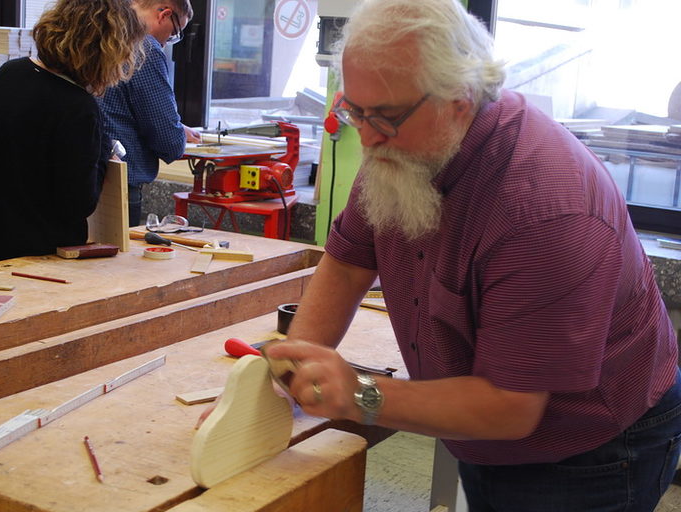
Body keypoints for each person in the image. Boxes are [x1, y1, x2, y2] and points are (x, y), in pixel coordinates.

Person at [263, 0, 681, 510]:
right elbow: (350, 262)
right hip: (489, 427)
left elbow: (509, 409)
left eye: (386, 116)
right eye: (354, 110)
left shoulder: (545, 209)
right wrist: (291, 369)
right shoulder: (400, 146)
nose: (367, 137)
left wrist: (361, 392)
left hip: (592, 448)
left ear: (460, 99)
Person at [0, 0, 145, 269]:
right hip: (11, 260)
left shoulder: (11, 72)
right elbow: (78, 204)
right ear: (105, 50)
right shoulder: (77, 107)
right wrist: (100, 153)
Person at [99, 0, 201, 227]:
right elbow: (169, 142)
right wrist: (174, 132)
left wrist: (178, 127)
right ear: (164, 15)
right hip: (119, 184)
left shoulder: (101, 36)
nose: (167, 42)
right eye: (174, 33)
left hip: (84, 176)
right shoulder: (145, 49)